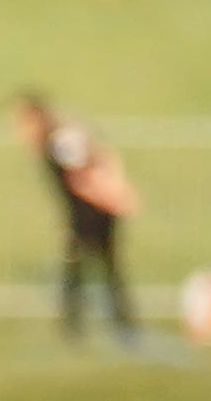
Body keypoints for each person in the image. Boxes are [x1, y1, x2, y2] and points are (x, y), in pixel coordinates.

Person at [18, 88, 133, 341]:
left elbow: (87, 173)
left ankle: (91, 325)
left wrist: (114, 195)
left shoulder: (60, 141)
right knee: (88, 268)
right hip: (85, 212)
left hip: (92, 214)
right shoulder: (54, 138)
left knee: (91, 267)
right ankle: (93, 324)